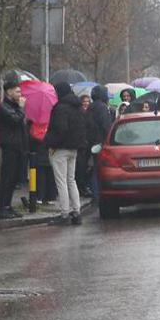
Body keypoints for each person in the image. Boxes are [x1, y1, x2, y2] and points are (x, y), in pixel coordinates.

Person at [43, 80, 90, 224]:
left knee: (61, 181)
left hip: (60, 149)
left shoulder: (61, 108)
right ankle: (76, 212)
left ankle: (64, 214)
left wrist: (50, 143)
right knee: (71, 180)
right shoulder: (78, 107)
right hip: (74, 149)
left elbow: (59, 130)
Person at [0, 78, 30, 219]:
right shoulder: (3, 107)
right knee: (7, 178)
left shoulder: (14, 107)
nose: (20, 94)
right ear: (9, 92)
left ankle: (8, 206)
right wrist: (21, 108)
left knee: (13, 179)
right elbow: (14, 120)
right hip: (10, 146)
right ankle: (3, 207)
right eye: (17, 91)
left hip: (18, 147)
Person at [87, 85, 115, 202]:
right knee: (98, 169)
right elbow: (106, 126)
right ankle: (97, 194)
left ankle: (95, 192)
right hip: (101, 142)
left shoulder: (90, 107)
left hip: (91, 142)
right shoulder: (102, 108)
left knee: (94, 168)